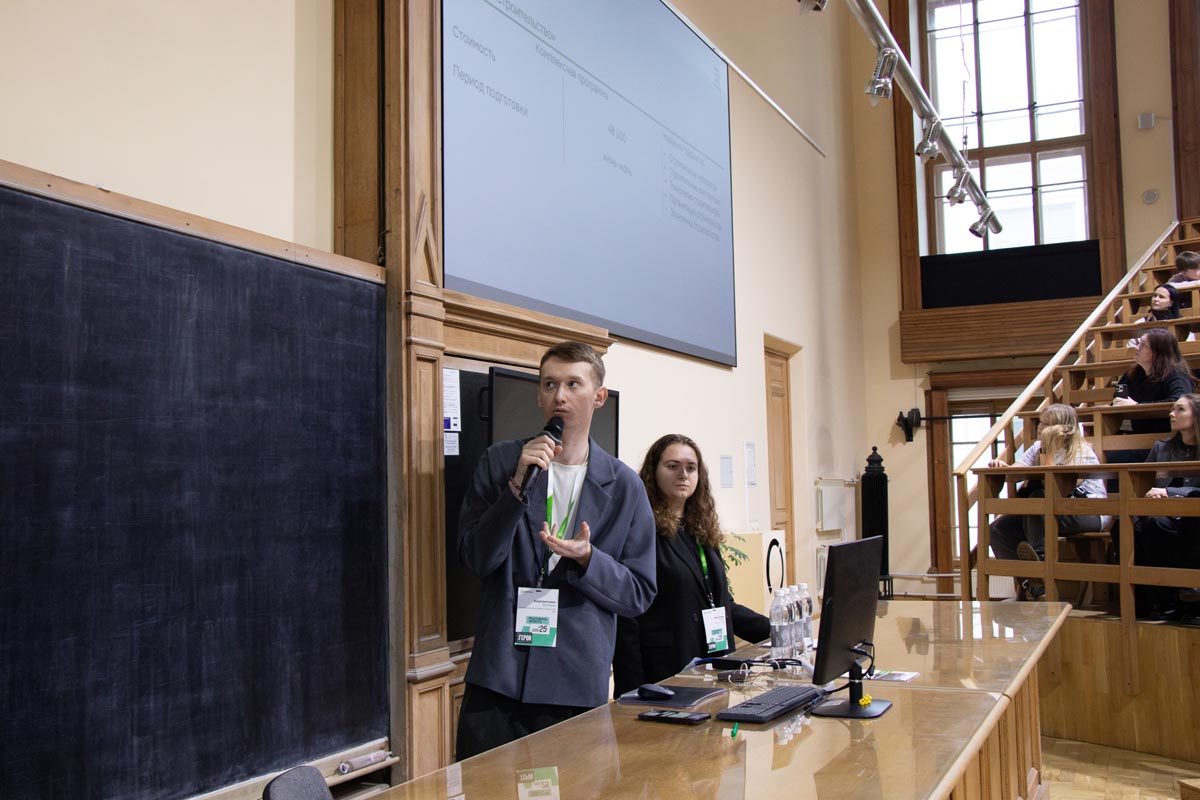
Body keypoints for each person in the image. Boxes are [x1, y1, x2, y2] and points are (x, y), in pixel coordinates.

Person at [455, 341, 656, 760]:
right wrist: (515, 489)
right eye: (549, 384)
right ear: (538, 395)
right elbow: (476, 558)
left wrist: (588, 559)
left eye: (572, 384)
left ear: (598, 397)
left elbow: (638, 592)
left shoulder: (625, 487)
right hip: (499, 679)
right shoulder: (501, 462)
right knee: (483, 789)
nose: (559, 395)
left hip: (573, 684)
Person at [611, 435, 769, 697]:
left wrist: (774, 630)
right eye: (672, 466)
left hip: (713, 667)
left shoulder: (700, 529)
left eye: (691, 467)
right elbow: (627, 615)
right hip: (664, 675)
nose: (683, 474)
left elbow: (721, 604)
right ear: (653, 472)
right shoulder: (640, 529)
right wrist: (633, 690)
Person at [987, 405, 1108, 592]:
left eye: (1046, 424)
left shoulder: (1080, 450)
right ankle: (1035, 586)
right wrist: (1002, 467)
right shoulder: (1037, 447)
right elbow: (1017, 471)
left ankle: (1041, 566)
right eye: (1040, 422)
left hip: (1088, 511)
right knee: (998, 529)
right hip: (1049, 511)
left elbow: (1063, 487)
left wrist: (1047, 454)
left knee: (1038, 500)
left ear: (1062, 428)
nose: (1039, 427)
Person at [1118, 394, 1200, 619]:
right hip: (1161, 509)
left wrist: (1171, 492)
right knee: (1124, 524)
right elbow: (1144, 480)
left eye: (1180, 409)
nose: (1172, 414)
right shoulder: (1162, 447)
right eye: (1173, 409)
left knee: (1158, 524)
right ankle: (1140, 602)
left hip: (1192, 513)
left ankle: (1170, 598)